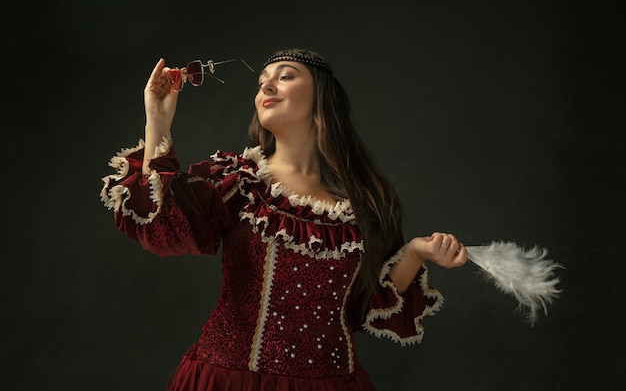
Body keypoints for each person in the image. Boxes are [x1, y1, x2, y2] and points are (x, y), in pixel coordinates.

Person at [100, 48, 468, 391]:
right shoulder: (238, 180)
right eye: (261, 83)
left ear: (321, 96)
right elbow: (160, 226)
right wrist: (158, 122)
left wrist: (416, 252)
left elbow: (365, 306)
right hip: (232, 380)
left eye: (285, 76)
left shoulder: (367, 203)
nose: (266, 87)